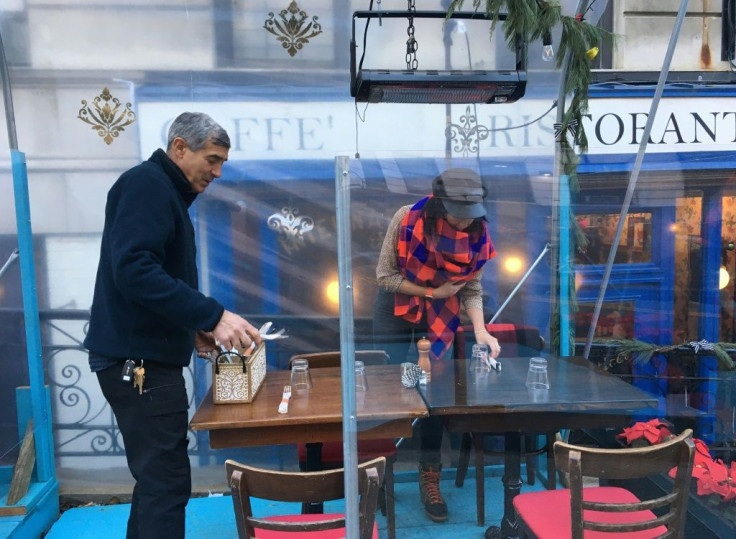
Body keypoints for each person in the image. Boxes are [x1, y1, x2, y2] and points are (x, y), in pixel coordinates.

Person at [83, 112, 262, 538]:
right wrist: (211, 315)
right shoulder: (148, 185)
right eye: (212, 159)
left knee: (155, 484)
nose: (217, 172)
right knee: (165, 485)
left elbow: (141, 275)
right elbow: (135, 270)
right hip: (139, 364)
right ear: (179, 147)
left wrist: (190, 328)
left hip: (137, 358)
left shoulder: (157, 188)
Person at [373, 167, 500, 523]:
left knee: (435, 393)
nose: (463, 224)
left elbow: (471, 289)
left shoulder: (477, 234)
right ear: (439, 205)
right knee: (389, 386)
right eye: (457, 216)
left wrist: (481, 331)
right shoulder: (407, 218)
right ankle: (379, 473)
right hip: (397, 304)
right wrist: (433, 291)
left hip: (443, 312)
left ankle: (431, 476)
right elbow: (385, 277)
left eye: (470, 216)